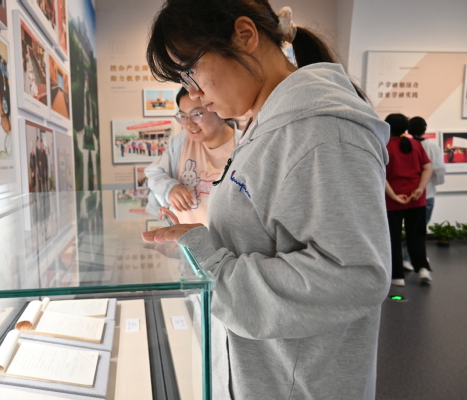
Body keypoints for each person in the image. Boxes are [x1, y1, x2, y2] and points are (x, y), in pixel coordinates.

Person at [141, 2, 391, 399]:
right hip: (265, 373)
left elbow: (354, 276)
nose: (194, 93)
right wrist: (198, 247)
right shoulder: (267, 125)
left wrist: (212, 264)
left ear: (244, 36)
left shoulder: (322, 131)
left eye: (192, 71)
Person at [145, 87, 241, 225]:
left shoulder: (243, 146)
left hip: (225, 238)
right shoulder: (182, 142)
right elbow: (154, 173)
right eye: (183, 116)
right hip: (184, 236)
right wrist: (169, 188)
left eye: (196, 114)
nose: (189, 124)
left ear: (220, 111)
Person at [384, 113, 433, 287]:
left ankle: (397, 276)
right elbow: (428, 167)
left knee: (393, 238)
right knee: (417, 236)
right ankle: (423, 268)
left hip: (392, 202)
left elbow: (381, 176)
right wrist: (419, 189)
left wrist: (394, 196)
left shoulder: (384, 146)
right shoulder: (415, 144)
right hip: (416, 199)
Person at [402, 116, 446, 270]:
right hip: (426, 195)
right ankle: (412, 258)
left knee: (408, 229)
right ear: (425, 129)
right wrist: (436, 182)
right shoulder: (432, 148)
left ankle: (409, 258)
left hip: (404, 195)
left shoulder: (404, 145)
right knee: (418, 231)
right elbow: (438, 169)